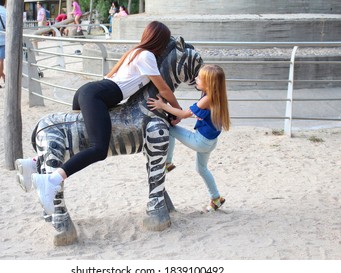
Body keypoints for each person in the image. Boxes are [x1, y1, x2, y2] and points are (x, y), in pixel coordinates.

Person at [25, 21, 182, 215]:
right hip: (96, 96)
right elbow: (164, 88)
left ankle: (33, 162)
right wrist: (177, 110)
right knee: (99, 149)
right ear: (160, 41)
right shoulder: (147, 56)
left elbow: (111, 77)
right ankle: (51, 181)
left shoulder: (134, 52)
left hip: (90, 91)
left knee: (77, 135)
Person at [147, 64, 231, 211]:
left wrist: (162, 105)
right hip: (211, 142)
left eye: (199, 78)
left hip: (201, 142)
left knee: (170, 129)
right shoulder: (217, 96)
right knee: (201, 169)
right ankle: (216, 198)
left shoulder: (207, 99)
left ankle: (167, 162)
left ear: (208, 83)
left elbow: (185, 114)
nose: (196, 79)